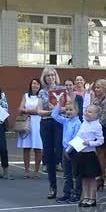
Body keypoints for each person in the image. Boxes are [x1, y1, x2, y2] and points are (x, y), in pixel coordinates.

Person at [37, 67, 67, 199]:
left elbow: (67, 108)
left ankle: (68, 187)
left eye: (52, 75)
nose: (50, 77)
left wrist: (56, 109)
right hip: (46, 123)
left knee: (60, 152)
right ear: (44, 78)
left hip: (59, 123)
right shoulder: (42, 92)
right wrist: (51, 111)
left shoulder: (61, 90)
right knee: (48, 155)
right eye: (48, 75)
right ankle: (52, 186)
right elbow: (39, 111)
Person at [73, 104, 104, 207]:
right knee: (84, 177)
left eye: (90, 112)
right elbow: (78, 136)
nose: (87, 113)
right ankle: (85, 196)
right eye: (86, 111)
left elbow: (100, 140)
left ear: (96, 115)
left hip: (90, 154)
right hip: (81, 153)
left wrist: (89, 143)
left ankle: (92, 198)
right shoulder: (84, 123)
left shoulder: (97, 125)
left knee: (91, 177)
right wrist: (70, 148)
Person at [51, 99, 82, 204]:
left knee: (76, 173)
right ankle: (67, 193)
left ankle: (77, 194)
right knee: (67, 173)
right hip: (65, 149)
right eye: (67, 109)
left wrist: (68, 150)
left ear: (77, 111)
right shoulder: (66, 120)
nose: (68, 112)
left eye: (71, 110)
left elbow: (76, 138)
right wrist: (59, 105)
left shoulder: (78, 123)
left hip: (73, 150)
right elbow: (54, 115)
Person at [17, 78, 43, 179]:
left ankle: (36, 171)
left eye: (37, 84)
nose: (35, 86)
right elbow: (20, 109)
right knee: (26, 148)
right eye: (34, 84)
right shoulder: (26, 96)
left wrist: (27, 110)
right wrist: (32, 111)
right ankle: (26, 171)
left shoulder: (41, 97)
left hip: (38, 123)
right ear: (31, 85)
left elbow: (39, 111)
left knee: (38, 148)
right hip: (26, 123)